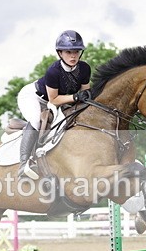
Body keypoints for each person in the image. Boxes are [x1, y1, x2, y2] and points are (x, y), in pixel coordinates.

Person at [16, 30, 92, 178]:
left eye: (76, 52)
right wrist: (76, 97)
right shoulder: (53, 71)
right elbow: (54, 100)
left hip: (61, 100)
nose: (73, 56)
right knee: (36, 121)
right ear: (60, 53)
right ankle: (23, 165)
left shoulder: (84, 69)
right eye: (68, 52)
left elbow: (85, 96)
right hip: (35, 97)